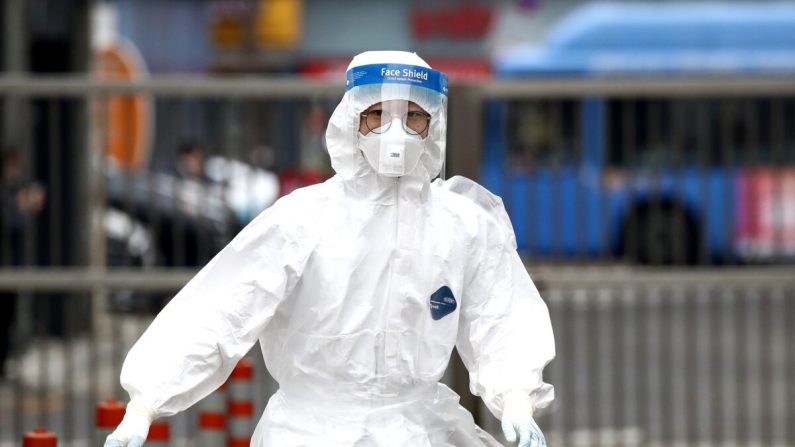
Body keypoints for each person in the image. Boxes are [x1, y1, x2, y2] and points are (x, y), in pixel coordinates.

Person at [104, 51, 555, 447]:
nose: (395, 131)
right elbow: (223, 307)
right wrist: (147, 399)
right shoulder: (303, 219)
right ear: (352, 120)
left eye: (413, 116)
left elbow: (501, 315)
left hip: (418, 430)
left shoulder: (462, 225)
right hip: (309, 433)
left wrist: (516, 395)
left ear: (432, 124)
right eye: (377, 114)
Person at [0, 149, 46, 378]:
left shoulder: (11, 190)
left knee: (9, 318)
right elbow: (10, 224)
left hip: (12, 268)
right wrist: (21, 207)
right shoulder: (5, 193)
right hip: (6, 268)